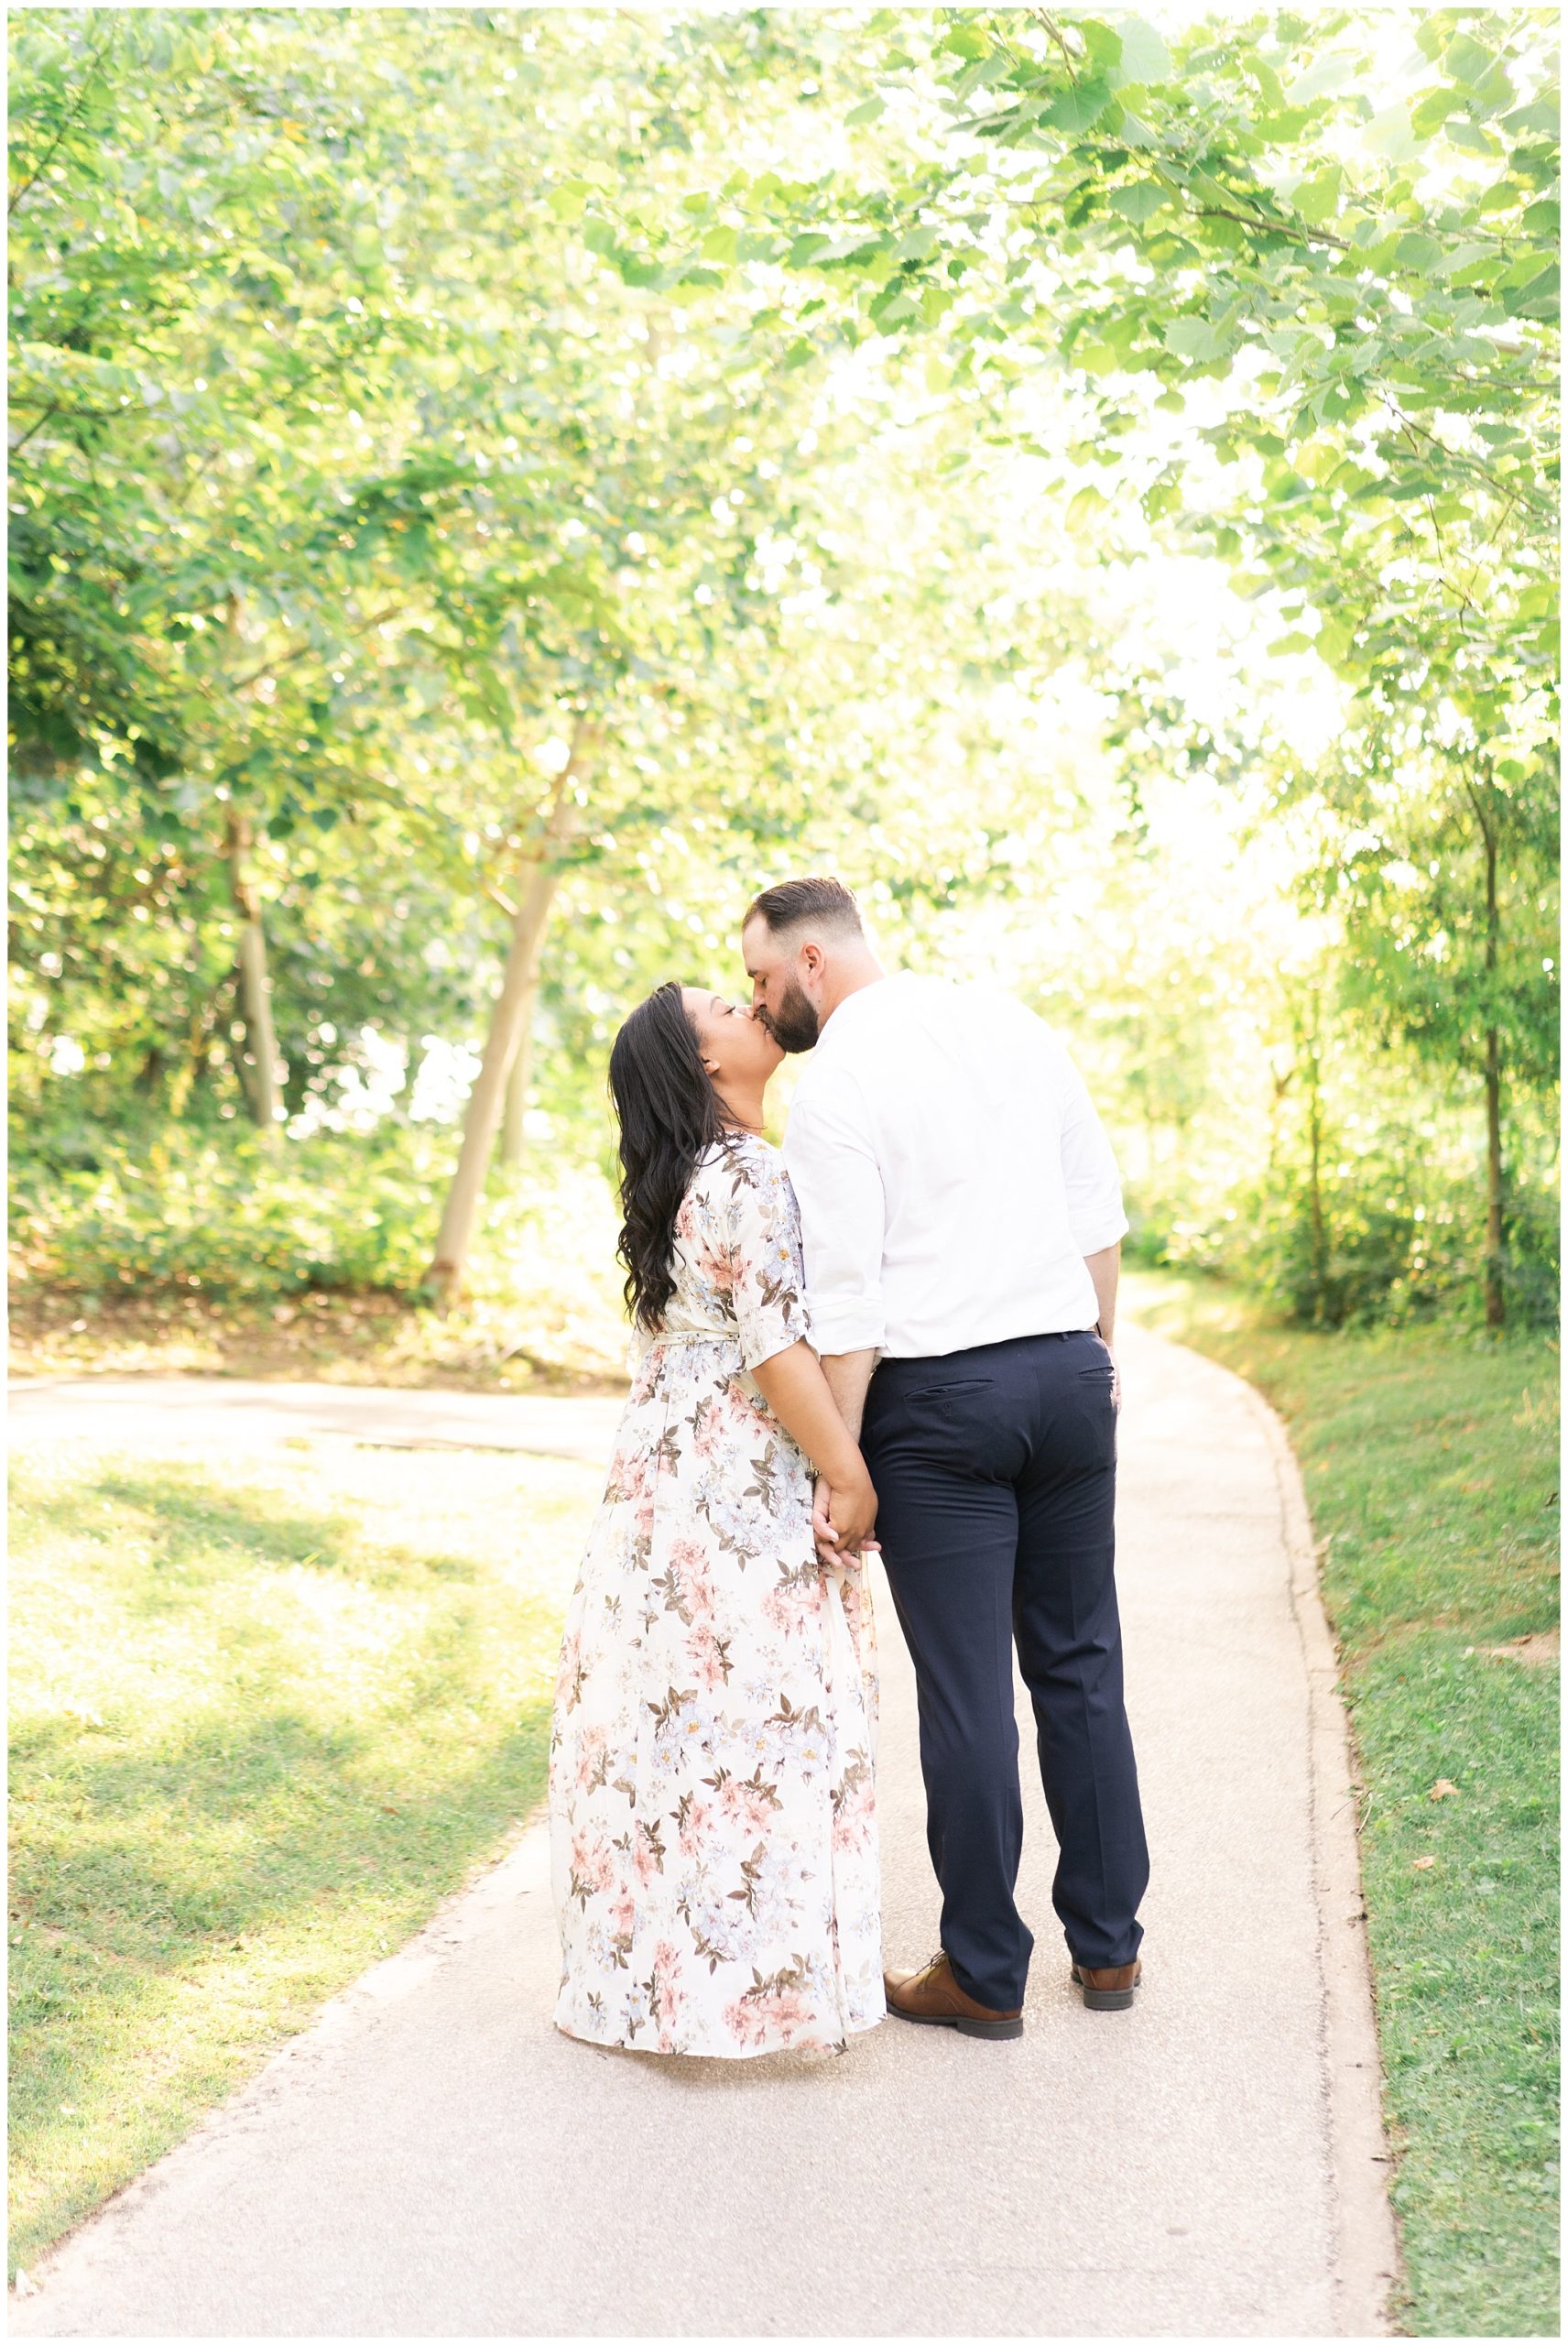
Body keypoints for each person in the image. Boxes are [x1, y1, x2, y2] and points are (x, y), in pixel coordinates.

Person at [743, 877, 1149, 2040]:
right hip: (1065, 1374)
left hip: (938, 1402)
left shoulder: (836, 1090)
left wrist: (846, 1463)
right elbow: (1094, 1215)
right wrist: (1095, 1357)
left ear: (812, 960)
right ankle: (1109, 1951)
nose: (764, 1005)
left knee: (967, 1689)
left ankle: (982, 1970)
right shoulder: (1011, 1023)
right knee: (1079, 1665)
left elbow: (853, 1302)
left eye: (766, 980)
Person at [548, 980, 884, 2057]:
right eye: (723, 1008)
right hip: (736, 1492)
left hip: (659, 1503)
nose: (752, 1010)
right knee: (761, 1733)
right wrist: (849, 1470)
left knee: (678, 1740)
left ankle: (655, 1986)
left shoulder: (681, 1182)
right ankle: (747, 1998)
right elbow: (774, 1350)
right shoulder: (748, 1174)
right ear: (704, 1065)